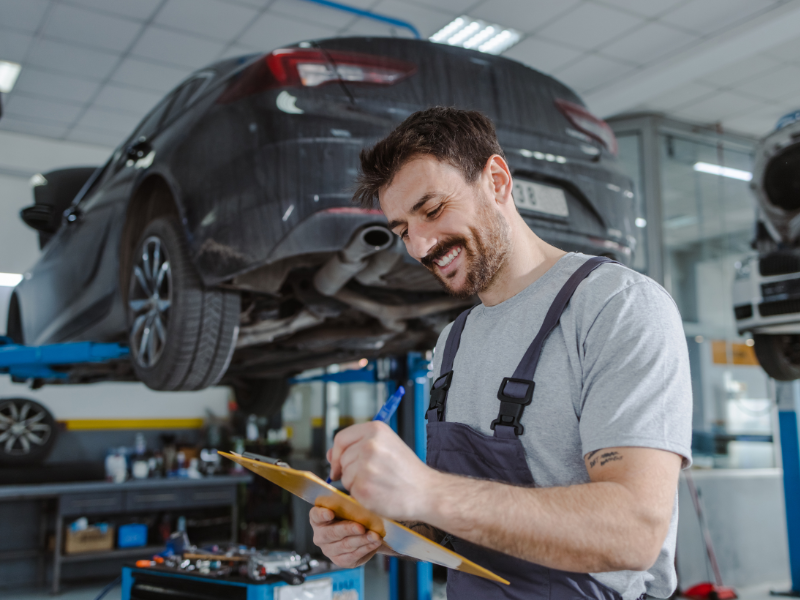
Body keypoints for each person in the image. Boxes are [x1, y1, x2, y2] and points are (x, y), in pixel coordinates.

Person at [309, 107, 692, 600]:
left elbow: (634, 532)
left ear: (495, 180)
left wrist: (429, 490)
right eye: (403, 230)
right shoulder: (454, 341)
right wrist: (378, 531)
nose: (421, 245)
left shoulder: (614, 306)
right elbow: (466, 527)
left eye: (432, 209)